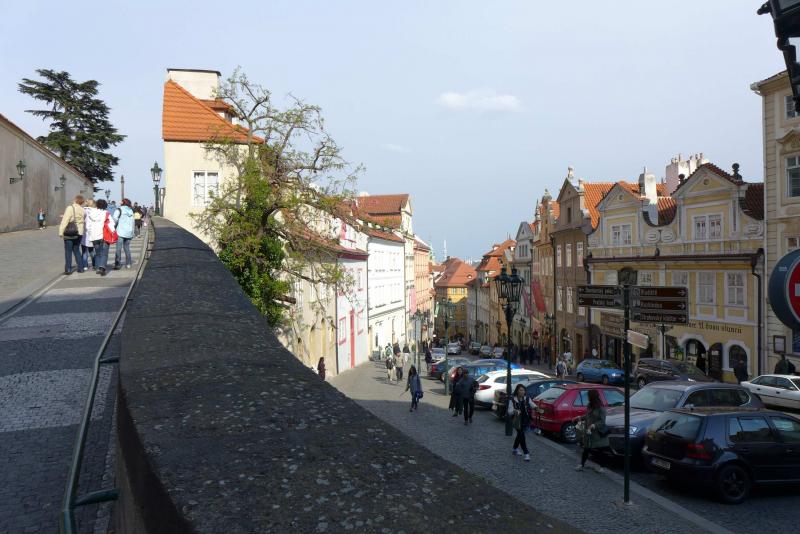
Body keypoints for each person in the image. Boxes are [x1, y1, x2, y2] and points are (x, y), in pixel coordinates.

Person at [574, 389, 608, 472]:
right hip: (589, 433)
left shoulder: (601, 408)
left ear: (592, 397)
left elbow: (602, 421)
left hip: (598, 434)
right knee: (586, 449)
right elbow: (587, 416)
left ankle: (602, 468)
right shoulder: (590, 405)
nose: (587, 397)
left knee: (600, 451)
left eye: (588, 396)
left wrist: (594, 425)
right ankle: (581, 465)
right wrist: (579, 417)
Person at [58, 195, 85, 275]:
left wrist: (61, 231)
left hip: (70, 232)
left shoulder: (70, 208)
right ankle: (81, 268)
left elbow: (65, 220)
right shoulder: (82, 209)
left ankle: (68, 269)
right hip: (79, 232)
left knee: (68, 251)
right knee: (76, 250)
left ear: (75, 200)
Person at [508, 383, 535, 461]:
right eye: (521, 390)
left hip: (526, 420)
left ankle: (514, 449)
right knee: (522, 436)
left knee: (519, 435)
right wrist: (515, 411)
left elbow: (532, 405)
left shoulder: (527, 398)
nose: (523, 392)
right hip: (517, 420)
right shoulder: (513, 400)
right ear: (517, 391)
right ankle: (526, 453)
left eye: (523, 390)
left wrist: (537, 408)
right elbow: (509, 411)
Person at [91, 199, 114, 276]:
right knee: (104, 253)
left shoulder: (92, 213)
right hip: (104, 236)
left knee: (97, 253)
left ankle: (98, 268)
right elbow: (112, 223)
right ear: (105, 206)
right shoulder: (106, 213)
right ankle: (102, 267)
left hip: (94, 236)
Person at [113, 199, 135, 269]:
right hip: (129, 232)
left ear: (123, 203)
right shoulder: (131, 211)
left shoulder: (119, 210)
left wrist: (114, 226)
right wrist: (132, 232)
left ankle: (117, 264)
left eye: (121, 201)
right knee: (127, 248)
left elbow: (114, 219)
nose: (120, 202)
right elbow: (133, 222)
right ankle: (128, 264)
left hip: (120, 231)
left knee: (118, 249)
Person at [80, 199, 99, 271]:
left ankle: (85, 265)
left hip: (85, 233)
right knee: (92, 251)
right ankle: (94, 264)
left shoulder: (83, 210)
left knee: (84, 251)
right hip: (93, 233)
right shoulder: (96, 211)